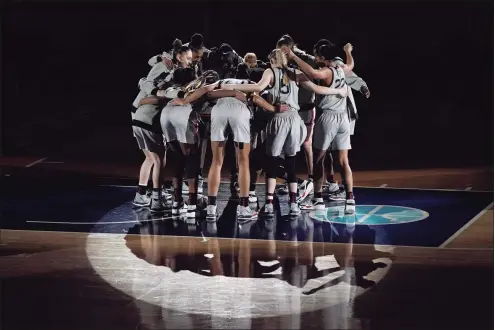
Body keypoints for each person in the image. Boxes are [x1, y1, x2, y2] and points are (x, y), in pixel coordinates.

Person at [223, 49, 348, 216]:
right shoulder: (295, 72)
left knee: (272, 161)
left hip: (280, 118)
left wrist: (231, 85)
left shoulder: (270, 71)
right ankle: (294, 203)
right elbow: (317, 89)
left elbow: (258, 87)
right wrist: (338, 91)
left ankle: (268, 203)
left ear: (272, 59)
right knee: (291, 162)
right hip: (296, 120)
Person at [172, 78, 289, 222]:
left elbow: (203, 90)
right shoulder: (249, 83)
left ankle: (211, 208)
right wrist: (274, 109)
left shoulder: (220, 82)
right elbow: (257, 98)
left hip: (219, 110)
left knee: (216, 161)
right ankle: (244, 207)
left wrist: (184, 101)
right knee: (243, 161)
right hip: (239, 111)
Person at [282, 42, 356, 214]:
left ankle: (318, 198)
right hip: (343, 118)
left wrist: (293, 57)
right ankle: (350, 198)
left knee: (318, 159)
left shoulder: (327, 72)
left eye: (316, 56)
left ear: (322, 58)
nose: (315, 59)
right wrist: (348, 52)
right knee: (344, 161)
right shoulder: (342, 68)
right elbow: (351, 64)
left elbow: (313, 72)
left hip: (328, 118)